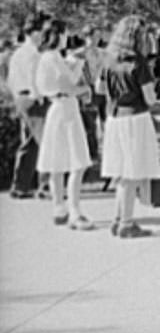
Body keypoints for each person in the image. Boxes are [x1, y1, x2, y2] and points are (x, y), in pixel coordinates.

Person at [100, 15, 160, 238]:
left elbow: (99, 88)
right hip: (135, 117)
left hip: (114, 116)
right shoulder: (138, 62)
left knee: (120, 171)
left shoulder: (108, 59)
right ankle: (126, 222)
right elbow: (150, 98)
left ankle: (118, 218)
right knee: (132, 172)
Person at [35, 20, 94, 230]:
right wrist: (85, 90)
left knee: (56, 163)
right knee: (77, 162)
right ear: (58, 35)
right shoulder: (53, 58)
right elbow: (67, 85)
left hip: (57, 108)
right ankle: (75, 211)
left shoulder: (47, 58)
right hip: (66, 108)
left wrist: (75, 62)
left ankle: (58, 208)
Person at [6, 12, 51, 199]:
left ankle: (21, 186)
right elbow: (34, 77)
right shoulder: (32, 53)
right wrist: (39, 96)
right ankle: (44, 185)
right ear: (33, 32)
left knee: (30, 143)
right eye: (42, 31)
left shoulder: (18, 53)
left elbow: (11, 79)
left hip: (22, 98)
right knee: (45, 141)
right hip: (33, 98)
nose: (44, 35)